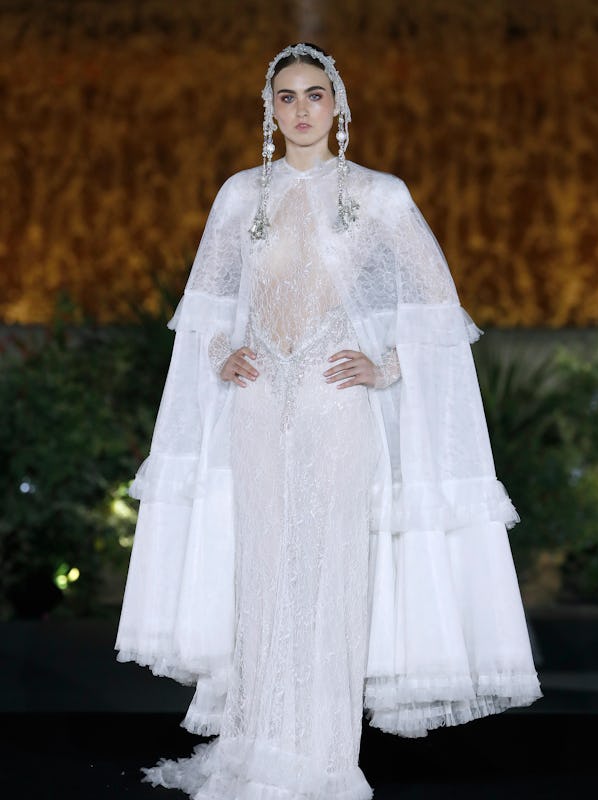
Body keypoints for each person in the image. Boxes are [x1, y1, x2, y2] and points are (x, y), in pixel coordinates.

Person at [115, 42, 542, 799]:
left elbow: (436, 306)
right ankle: (252, 744)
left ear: (339, 105)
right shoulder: (240, 195)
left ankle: (319, 759)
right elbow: (209, 303)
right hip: (256, 405)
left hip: (336, 404)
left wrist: (387, 367)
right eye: (287, 97)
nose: (302, 109)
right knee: (263, 570)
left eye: (316, 94)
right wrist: (221, 353)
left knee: (330, 569)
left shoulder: (379, 195)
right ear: (269, 109)